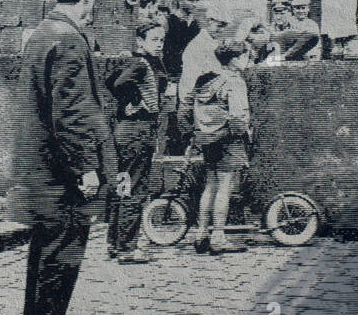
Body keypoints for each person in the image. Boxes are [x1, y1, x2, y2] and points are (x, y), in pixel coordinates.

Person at [10, 0, 125, 315]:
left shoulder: (43, 33)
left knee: (47, 244)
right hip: (62, 169)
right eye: (95, 1)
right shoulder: (69, 40)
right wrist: (86, 168)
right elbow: (71, 113)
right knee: (65, 247)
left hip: (42, 163)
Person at [178, 39, 252, 255]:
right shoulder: (235, 82)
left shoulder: (206, 79)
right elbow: (238, 118)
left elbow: (185, 106)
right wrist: (242, 133)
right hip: (228, 140)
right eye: (245, 56)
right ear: (235, 59)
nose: (247, 60)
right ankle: (218, 236)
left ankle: (202, 234)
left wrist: (194, 132)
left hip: (208, 139)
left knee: (210, 185)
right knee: (225, 187)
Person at [104, 20, 167, 263]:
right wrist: (134, 102)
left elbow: (110, 80)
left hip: (128, 132)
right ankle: (127, 248)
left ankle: (114, 243)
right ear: (140, 41)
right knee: (134, 188)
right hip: (137, 132)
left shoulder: (138, 60)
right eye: (154, 40)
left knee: (124, 186)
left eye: (162, 40)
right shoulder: (141, 62)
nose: (159, 45)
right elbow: (117, 84)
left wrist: (128, 103)